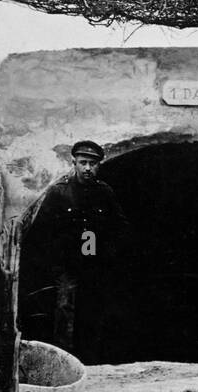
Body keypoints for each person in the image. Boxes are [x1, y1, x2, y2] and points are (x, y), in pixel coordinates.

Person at [28, 139, 130, 363]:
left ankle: (90, 361)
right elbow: (41, 231)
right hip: (66, 265)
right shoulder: (59, 192)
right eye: (83, 162)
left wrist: (108, 253)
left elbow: (120, 227)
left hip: (94, 265)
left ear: (98, 166)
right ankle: (63, 361)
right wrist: (54, 258)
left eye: (92, 164)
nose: (87, 168)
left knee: (92, 312)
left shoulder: (104, 192)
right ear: (73, 162)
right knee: (65, 310)